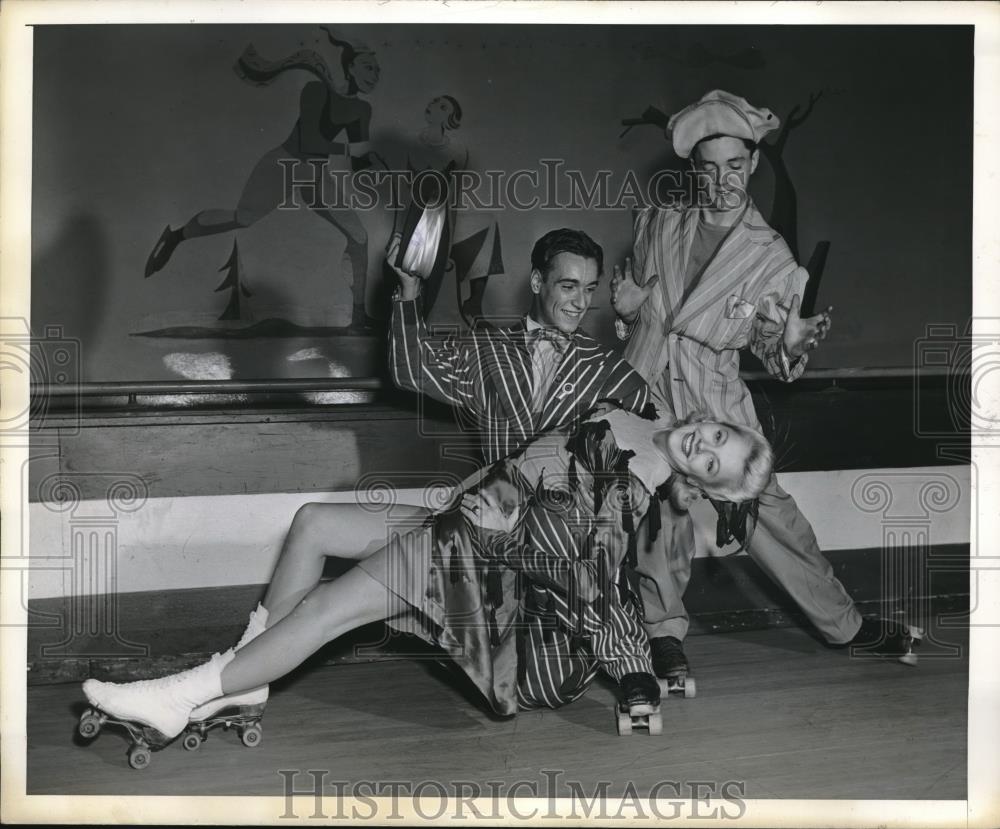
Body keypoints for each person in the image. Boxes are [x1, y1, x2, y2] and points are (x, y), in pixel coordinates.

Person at [80, 406, 773, 748]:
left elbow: (578, 578)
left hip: (487, 561)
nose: (704, 444)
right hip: (464, 513)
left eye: (713, 462)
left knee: (329, 609)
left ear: (702, 485)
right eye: (719, 434)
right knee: (315, 523)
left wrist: (507, 536)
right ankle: (248, 675)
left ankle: (179, 697)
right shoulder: (646, 414)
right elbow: (534, 463)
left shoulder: (635, 487)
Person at [610, 89, 922, 683]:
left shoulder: (773, 257)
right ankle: (663, 637)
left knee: (775, 521)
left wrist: (790, 344)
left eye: (734, 165)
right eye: (708, 168)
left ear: (753, 163)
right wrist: (625, 313)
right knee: (660, 520)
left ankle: (843, 624)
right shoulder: (656, 224)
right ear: (692, 170)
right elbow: (641, 312)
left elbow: (773, 353)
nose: (722, 179)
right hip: (644, 396)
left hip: (716, 413)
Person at [144, 27, 383, 330]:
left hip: (315, 174)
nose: (374, 73)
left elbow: (355, 161)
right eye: (368, 67)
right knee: (243, 218)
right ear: (350, 67)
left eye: (377, 69)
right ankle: (175, 236)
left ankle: (358, 318)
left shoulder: (362, 109)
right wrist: (354, 152)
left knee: (359, 235)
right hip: (283, 163)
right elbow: (311, 141)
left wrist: (372, 165)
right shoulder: (316, 90)